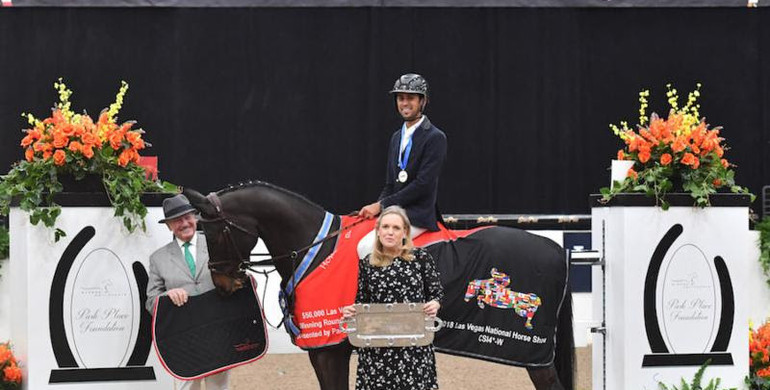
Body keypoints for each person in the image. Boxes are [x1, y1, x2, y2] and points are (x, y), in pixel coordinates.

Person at [343, 206, 444, 390]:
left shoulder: (420, 258)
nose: (390, 232)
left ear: (405, 232)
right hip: (377, 350)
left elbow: (436, 292)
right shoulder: (367, 264)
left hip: (413, 349)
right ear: (378, 231)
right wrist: (353, 312)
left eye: (396, 228)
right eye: (386, 227)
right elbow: (362, 302)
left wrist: (434, 304)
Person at [357, 73, 447, 259]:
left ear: (423, 101)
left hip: (417, 215)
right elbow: (390, 184)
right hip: (395, 212)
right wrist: (378, 206)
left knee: (366, 247)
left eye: (410, 98)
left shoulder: (435, 137)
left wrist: (381, 206)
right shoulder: (396, 137)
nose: (404, 103)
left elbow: (423, 185)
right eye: (400, 98)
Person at [146, 194, 229, 390]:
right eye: (176, 220)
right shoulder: (158, 259)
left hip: (217, 331)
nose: (184, 223)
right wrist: (167, 296)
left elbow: (234, 277)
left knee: (218, 387)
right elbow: (151, 301)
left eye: (187, 217)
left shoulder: (216, 243)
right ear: (168, 226)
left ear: (195, 217)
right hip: (183, 337)